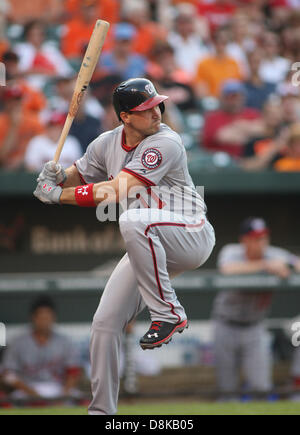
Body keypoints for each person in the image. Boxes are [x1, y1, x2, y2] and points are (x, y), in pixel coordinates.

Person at [33, 77, 216, 415]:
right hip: (150, 241)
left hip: (190, 233)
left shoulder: (166, 141)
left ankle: (168, 312)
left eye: (157, 105)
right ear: (126, 117)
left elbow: (116, 191)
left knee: (132, 220)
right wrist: (58, 176)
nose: (157, 113)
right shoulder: (107, 143)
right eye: (146, 109)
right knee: (104, 324)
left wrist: (58, 196)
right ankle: (102, 413)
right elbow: (80, 175)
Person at [212, 217, 300, 399]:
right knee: (226, 390)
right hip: (226, 325)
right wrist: (266, 266)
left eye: (264, 238)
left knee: (261, 388)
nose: (261, 243)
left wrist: (288, 266)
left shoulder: (275, 255)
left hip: (254, 327)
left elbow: (296, 263)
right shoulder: (232, 251)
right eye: (255, 238)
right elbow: (227, 269)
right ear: (244, 240)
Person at [1, 297, 81, 400]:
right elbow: (8, 374)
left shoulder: (65, 342)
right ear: (33, 318)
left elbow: (73, 372)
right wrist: (30, 392)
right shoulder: (18, 342)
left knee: (79, 399)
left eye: (48, 317)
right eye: (41, 317)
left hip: (57, 388)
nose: (45, 321)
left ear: (53, 318)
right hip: (27, 389)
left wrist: (64, 393)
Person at [202, 80, 261, 159]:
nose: (233, 100)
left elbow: (262, 130)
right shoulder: (213, 117)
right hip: (220, 161)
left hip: (248, 159)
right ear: (222, 98)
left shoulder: (252, 114)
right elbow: (222, 137)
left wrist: (237, 128)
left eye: (236, 96)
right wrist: (246, 130)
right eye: (228, 97)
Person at [14, 20, 73, 91]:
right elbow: (14, 71)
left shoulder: (51, 49)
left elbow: (66, 72)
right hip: (29, 87)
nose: (36, 38)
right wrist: (39, 70)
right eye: (33, 34)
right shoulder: (20, 49)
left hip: (54, 87)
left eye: (39, 34)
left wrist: (49, 73)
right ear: (27, 35)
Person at [0, 85, 44, 170]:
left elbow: (42, 147)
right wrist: (13, 127)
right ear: (6, 102)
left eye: (18, 100)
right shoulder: (1, 121)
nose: (15, 104)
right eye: (11, 100)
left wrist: (22, 159)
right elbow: (2, 157)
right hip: (4, 167)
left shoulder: (34, 120)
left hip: (28, 165)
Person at [194, 27, 242, 98]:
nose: (221, 46)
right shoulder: (204, 63)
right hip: (212, 101)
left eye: (224, 43)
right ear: (214, 43)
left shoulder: (234, 63)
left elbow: (237, 86)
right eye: (218, 42)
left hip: (230, 101)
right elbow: (200, 87)